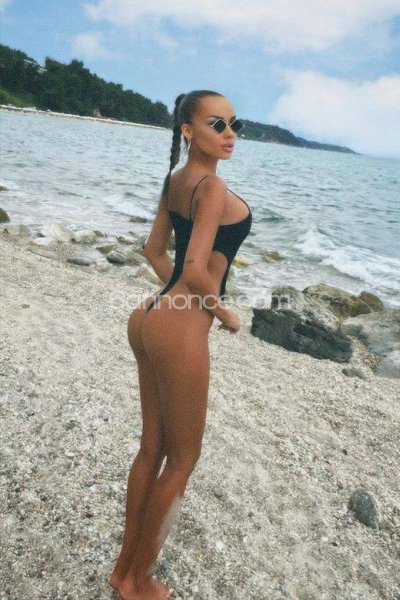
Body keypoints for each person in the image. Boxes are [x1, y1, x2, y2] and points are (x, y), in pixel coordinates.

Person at [109, 90, 252, 600]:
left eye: (235, 124)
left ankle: (123, 570)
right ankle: (138, 581)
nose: (230, 134)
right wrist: (223, 313)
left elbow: (154, 251)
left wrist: (172, 300)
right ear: (188, 130)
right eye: (217, 124)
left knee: (152, 448)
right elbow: (195, 269)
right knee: (182, 459)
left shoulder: (174, 180)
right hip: (179, 330)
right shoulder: (211, 186)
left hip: (148, 316)